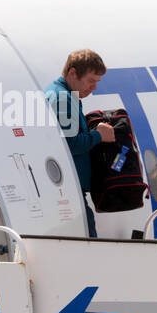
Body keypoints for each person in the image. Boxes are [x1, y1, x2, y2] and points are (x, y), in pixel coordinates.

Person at [46, 49, 113, 237]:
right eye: (91, 81)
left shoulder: (66, 94)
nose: (94, 88)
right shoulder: (62, 98)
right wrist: (99, 135)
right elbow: (70, 144)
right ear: (73, 73)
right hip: (69, 192)